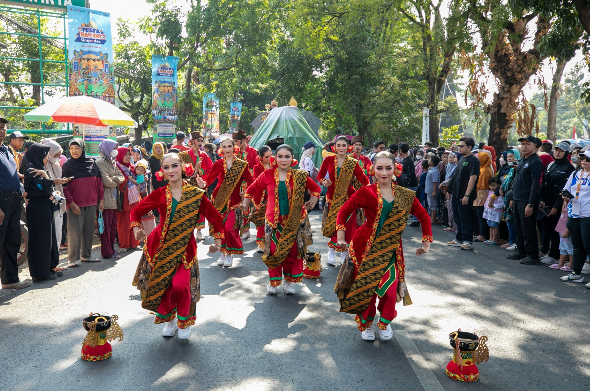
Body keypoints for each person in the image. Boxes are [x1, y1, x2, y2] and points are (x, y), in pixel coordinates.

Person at [335, 151, 432, 341]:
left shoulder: (404, 195)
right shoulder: (365, 192)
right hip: (364, 248)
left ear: (396, 169)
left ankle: (385, 323)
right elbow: (343, 211)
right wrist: (340, 237)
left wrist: (426, 244)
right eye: (380, 168)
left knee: (389, 289)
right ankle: (366, 325)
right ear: (372, 170)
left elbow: (424, 216)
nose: (384, 172)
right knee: (367, 289)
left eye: (388, 168)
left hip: (391, 250)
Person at [131, 152, 224, 339]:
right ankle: (169, 320)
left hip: (184, 248)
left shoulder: (195, 195)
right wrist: (136, 228)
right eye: (166, 167)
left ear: (183, 167)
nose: (171, 170)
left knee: (181, 285)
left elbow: (215, 217)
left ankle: (183, 320)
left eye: (174, 166)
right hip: (160, 246)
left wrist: (217, 242)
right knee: (165, 285)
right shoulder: (159, 194)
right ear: (162, 172)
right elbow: (136, 211)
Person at [242, 144, 320, 294]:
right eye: (280, 156)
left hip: (294, 221)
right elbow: (251, 189)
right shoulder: (267, 174)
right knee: (273, 252)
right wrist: (245, 203)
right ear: (275, 158)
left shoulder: (300, 175)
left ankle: (289, 282)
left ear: (292, 159)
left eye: (287, 156)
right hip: (274, 222)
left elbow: (316, 188)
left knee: (292, 253)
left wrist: (313, 201)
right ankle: (274, 282)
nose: (283, 160)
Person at [198, 137, 253, 267]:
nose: (227, 149)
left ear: (234, 147)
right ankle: (223, 253)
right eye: (224, 146)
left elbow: (251, 181)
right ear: (221, 148)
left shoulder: (241, 165)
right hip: (219, 200)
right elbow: (210, 180)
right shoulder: (218, 164)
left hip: (234, 201)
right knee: (220, 229)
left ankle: (229, 254)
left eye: (229, 146)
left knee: (229, 229)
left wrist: (245, 191)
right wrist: (203, 184)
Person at [318, 136, 369, 266]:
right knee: (334, 226)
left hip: (348, 200)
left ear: (348, 147)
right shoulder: (328, 160)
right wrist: (324, 182)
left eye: (343, 145)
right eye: (338, 145)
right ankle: (331, 252)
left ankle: (344, 253)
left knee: (349, 227)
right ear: (334, 147)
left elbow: (363, 179)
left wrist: (372, 191)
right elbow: (320, 176)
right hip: (332, 198)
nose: (341, 148)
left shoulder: (352, 162)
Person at [24, 144, 70, 282]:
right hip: (37, 208)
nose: (47, 158)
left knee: (48, 239)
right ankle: (40, 273)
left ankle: (49, 268)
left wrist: (46, 177)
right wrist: (45, 176)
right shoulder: (31, 170)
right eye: (45, 155)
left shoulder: (39, 168)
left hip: (44, 207)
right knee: (40, 241)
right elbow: (43, 188)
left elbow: (47, 187)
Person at [62, 139, 104, 267]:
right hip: (75, 204)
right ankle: (72, 259)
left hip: (91, 202)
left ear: (83, 149)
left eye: (77, 148)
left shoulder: (92, 163)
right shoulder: (67, 166)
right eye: (71, 148)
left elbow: (99, 183)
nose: (74, 151)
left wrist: (101, 200)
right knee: (75, 231)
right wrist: (72, 203)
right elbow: (64, 186)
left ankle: (86, 255)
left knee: (89, 230)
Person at [507, 136, 543, 264]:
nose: (524, 146)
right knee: (518, 227)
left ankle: (532, 255)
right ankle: (521, 251)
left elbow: (535, 184)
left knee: (528, 228)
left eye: (528, 144)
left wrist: (530, 204)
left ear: (535, 146)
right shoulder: (522, 160)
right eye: (523, 144)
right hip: (517, 199)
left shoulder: (536, 161)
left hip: (526, 200)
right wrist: (512, 197)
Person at [538, 141, 574, 265]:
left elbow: (566, 190)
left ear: (566, 153)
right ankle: (549, 252)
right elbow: (543, 183)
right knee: (546, 229)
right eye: (556, 150)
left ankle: (555, 255)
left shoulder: (569, 168)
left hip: (559, 206)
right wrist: (541, 199)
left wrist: (555, 207)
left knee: (557, 231)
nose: (558, 152)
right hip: (546, 204)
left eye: (561, 151)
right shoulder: (550, 165)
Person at [560, 149, 590, 287]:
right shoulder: (576, 173)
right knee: (577, 245)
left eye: (587, 159)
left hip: (588, 214)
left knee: (588, 245)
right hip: (574, 212)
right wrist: (565, 196)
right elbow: (566, 190)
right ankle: (576, 273)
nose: (584, 160)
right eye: (583, 157)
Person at [447, 137, 479, 251]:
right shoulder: (461, 159)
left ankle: (467, 240)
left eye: (462, 146)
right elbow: (455, 177)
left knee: (465, 218)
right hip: (456, 193)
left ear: (469, 147)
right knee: (457, 217)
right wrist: (450, 191)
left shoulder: (473, 160)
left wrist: (467, 195)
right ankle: (459, 239)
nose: (459, 148)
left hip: (465, 195)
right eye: (459, 146)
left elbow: (473, 178)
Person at [94, 139, 124, 259]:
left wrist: (114, 178)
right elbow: (105, 181)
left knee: (112, 227)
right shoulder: (100, 161)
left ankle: (111, 250)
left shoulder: (112, 162)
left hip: (113, 199)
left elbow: (122, 178)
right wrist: (115, 181)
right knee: (105, 228)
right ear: (107, 148)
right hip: (104, 200)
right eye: (113, 148)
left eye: (116, 148)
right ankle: (106, 252)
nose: (115, 151)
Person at [41, 139, 67, 260]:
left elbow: (58, 182)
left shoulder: (56, 165)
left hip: (58, 203)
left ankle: (55, 262)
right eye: (55, 155)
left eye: (58, 155)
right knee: (48, 236)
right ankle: (49, 263)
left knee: (57, 234)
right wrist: (53, 182)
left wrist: (62, 181)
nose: (57, 157)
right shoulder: (41, 166)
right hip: (47, 205)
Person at [233, 130, 258, 240]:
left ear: (243, 140)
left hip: (250, 182)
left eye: (236, 141)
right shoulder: (235, 152)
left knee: (253, 207)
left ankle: (255, 230)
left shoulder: (253, 151)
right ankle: (243, 229)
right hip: (237, 182)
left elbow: (258, 167)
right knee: (239, 206)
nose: (235, 143)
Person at [115, 147, 141, 252]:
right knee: (123, 222)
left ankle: (134, 243)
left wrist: (142, 178)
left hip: (134, 198)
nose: (127, 157)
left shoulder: (132, 167)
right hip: (123, 198)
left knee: (134, 220)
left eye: (129, 154)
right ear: (120, 155)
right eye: (125, 155)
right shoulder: (116, 166)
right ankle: (124, 244)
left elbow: (139, 179)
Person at [188, 132, 213, 240]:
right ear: (192, 141)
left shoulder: (204, 155)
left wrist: (201, 171)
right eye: (198, 140)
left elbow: (211, 169)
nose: (200, 143)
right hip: (188, 184)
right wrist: (191, 172)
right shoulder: (185, 155)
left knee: (200, 207)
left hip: (201, 184)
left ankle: (199, 230)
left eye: (201, 141)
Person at [251, 146, 273, 253]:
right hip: (262, 197)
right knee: (262, 220)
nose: (270, 158)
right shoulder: (257, 167)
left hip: (274, 196)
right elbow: (256, 182)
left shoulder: (276, 166)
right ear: (261, 157)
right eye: (267, 156)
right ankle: (260, 243)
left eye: (271, 155)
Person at [500, 149, 520, 250]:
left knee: (513, 221)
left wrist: (512, 198)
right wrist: (502, 189)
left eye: (511, 156)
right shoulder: (511, 169)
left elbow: (517, 185)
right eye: (507, 157)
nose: (509, 159)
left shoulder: (518, 169)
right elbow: (507, 183)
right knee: (509, 220)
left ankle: (514, 242)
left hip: (514, 199)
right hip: (507, 199)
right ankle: (511, 241)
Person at [473, 152, 493, 242]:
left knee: (481, 216)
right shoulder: (481, 168)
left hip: (483, 195)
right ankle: (478, 233)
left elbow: (483, 184)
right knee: (478, 215)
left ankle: (482, 235)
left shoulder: (486, 170)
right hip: (478, 194)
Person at [482, 177, 503, 245]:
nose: (492, 187)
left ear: (498, 185)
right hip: (489, 212)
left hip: (496, 212)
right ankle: (490, 238)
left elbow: (502, 203)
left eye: (494, 185)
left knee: (495, 225)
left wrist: (494, 206)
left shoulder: (499, 194)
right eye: (491, 185)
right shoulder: (490, 192)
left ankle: (494, 239)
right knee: (490, 225)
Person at [425, 155, 440, 222]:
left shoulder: (434, 171)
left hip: (431, 190)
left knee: (433, 205)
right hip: (428, 190)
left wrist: (434, 191)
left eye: (429, 160)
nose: (428, 161)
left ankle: (433, 219)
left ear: (432, 162)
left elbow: (435, 181)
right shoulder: (431, 170)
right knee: (430, 205)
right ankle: (431, 217)